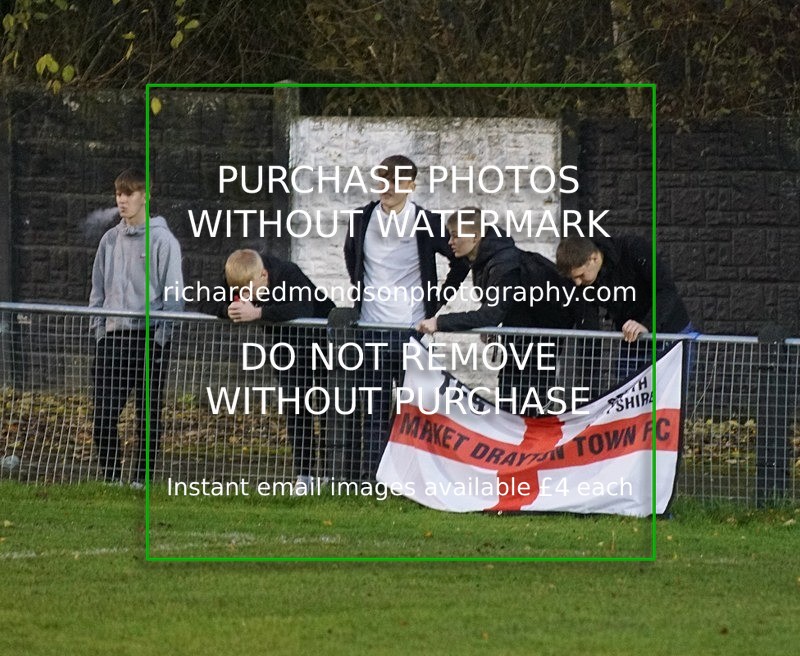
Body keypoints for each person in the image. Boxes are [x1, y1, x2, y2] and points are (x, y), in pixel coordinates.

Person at [343, 154, 469, 480]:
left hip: (410, 331)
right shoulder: (361, 218)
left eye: (396, 181)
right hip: (369, 329)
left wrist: (436, 304)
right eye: (382, 178)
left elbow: (461, 261)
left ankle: (410, 480)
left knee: (413, 410)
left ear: (411, 186)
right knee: (372, 409)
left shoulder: (425, 221)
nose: (388, 186)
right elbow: (351, 257)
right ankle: (372, 480)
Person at [417, 207, 578, 415]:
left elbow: (491, 313)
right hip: (521, 339)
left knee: (529, 409)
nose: (450, 242)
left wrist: (439, 323)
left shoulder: (504, 264)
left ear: (475, 237)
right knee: (512, 405)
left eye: (455, 236)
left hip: (538, 341)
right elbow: (494, 302)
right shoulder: (483, 258)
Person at [89, 167, 184, 486]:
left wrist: (161, 339)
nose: (122, 200)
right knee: (103, 415)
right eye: (119, 193)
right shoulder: (109, 240)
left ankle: (140, 481)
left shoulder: (163, 241)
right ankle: (112, 479)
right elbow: (97, 292)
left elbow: (173, 296)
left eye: (129, 193)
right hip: (112, 338)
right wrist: (100, 332)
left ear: (145, 196)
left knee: (146, 416)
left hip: (148, 338)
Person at [219, 248, 335, 495]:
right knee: (295, 408)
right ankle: (304, 475)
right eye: (241, 293)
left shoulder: (288, 273)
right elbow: (210, 300)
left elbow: (302, 308)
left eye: (250, 292)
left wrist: (258, 312)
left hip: (323, 344)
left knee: (326, 408)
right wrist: (228, 309)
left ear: (263, 275)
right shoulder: (238, 273)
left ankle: (328, 473)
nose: (246, 297)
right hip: (285, 348)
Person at [555, 234, 694, 382]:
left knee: (666, 401)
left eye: (581, 275)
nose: (577, 282)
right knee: (626, 399)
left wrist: (647, 324)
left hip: (670, 336)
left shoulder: (633, 249)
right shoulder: (584, 282)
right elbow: (589, 329)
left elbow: (666, 290)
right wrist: (590, 388)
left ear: (593, 258)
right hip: (632, 343)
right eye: (573, 278)